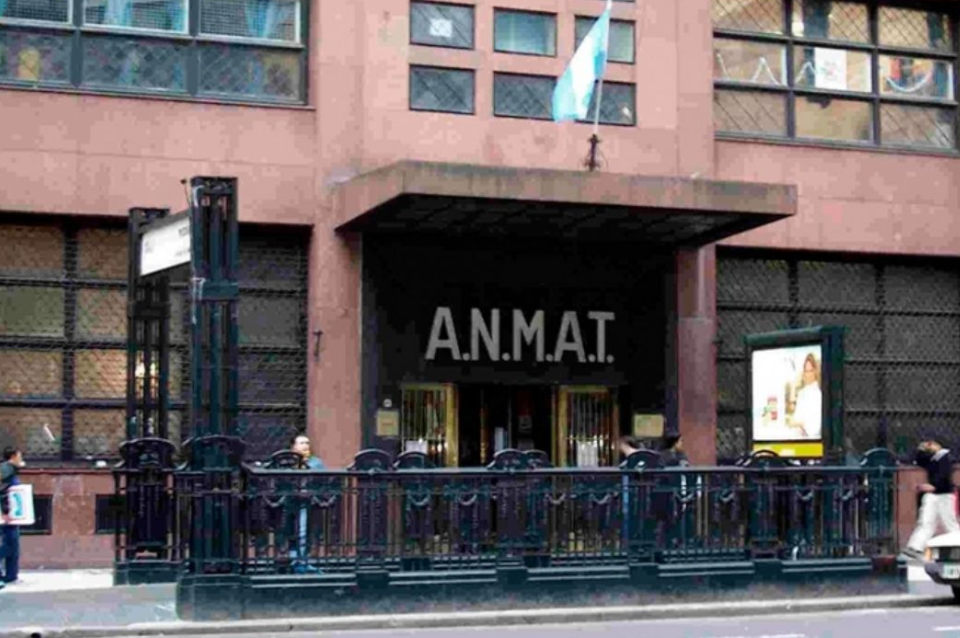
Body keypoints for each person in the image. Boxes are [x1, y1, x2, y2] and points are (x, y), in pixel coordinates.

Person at [903, 438, 960, 560]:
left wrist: (934, 486)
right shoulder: (931, 459)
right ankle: (915, 547)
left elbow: (944, 476)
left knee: (949, 523)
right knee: (926, 522)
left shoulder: (945, 457)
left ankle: (957, 547)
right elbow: (918, 460)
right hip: (933, 494)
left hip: (944, 495)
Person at [288, 434, 324, 573]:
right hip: (287, 502)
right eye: (302, 443)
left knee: (303, 532)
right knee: (288, 532)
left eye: (307, 443)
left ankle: (301, 561)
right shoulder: (287, 461)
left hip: (306, 503)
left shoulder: (315, 462)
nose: (305, 446)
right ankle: (292, 560)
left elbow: (322, 480)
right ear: (293, 447)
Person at [1, 447, 26, 588]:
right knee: (8, 545)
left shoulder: (10, 469)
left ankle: (11, 575)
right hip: (7, 515)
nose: (21, 459)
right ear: (13, 456)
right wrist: (5, 512)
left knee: (13, 544)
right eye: (19, 456)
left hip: (12, 514)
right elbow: (3, 491)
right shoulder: (6, 469)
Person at [785, 353, 823, 440]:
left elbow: (815, 429)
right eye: (806, 371)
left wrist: (799, 423)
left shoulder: (818, 396)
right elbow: (796, 417)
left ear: (815, 371)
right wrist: (791, 421)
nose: (808, 374)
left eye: (810, 371)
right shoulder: (802, 393)